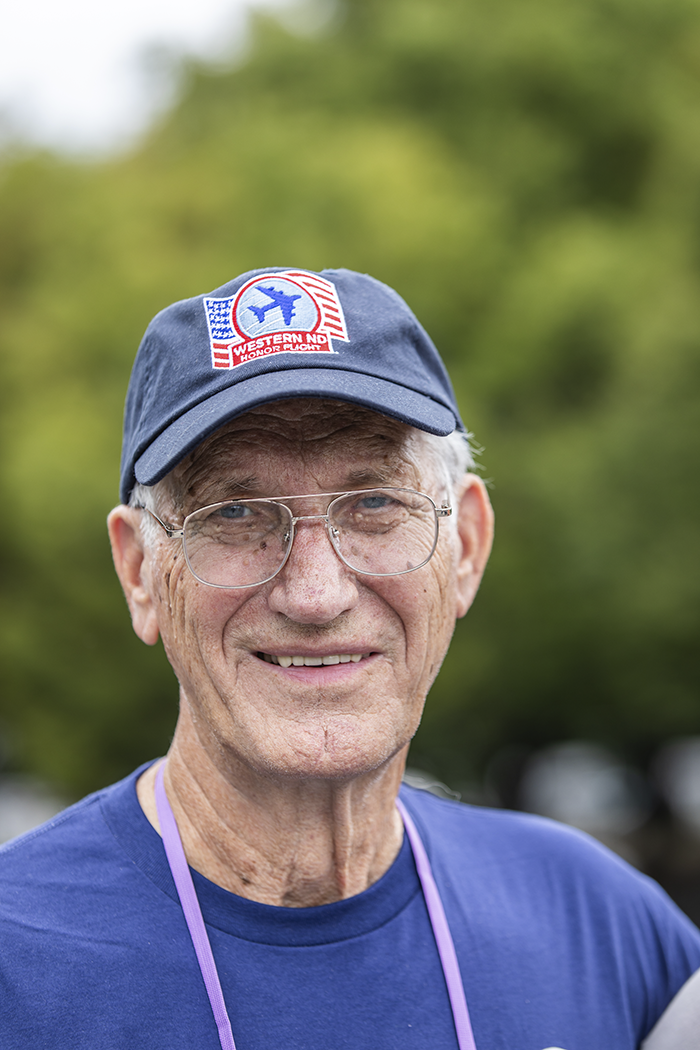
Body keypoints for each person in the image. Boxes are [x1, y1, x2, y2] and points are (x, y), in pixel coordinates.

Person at [0, 267, 698, 1050]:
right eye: (234, 513)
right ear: (140, 574)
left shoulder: (603, 932)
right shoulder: (18, 964)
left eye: (375, 504)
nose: (316, 592)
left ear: (465, 547)